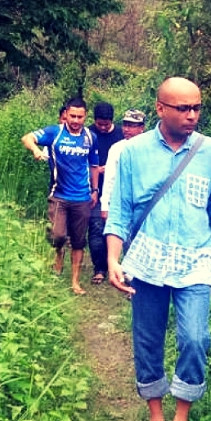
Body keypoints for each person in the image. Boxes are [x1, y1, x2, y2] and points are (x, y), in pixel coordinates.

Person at [106, 77, 211, 421]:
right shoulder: (133, 152)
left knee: (195, 339)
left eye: (197, 107)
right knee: (147, 339)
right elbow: (119, 212)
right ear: (160, 108)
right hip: (146, 261)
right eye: (183, 108)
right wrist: (114, 259)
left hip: (194, 262)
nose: (192, 115)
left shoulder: (210, 151)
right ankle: (156, 419)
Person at [22, 97, 99, 295]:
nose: (75, 120)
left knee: (79, 240)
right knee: (57, 235)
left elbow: (94, 166)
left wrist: (95, 191)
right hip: (59, 195)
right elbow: (27, 138)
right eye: (72, 116)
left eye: (80, 117)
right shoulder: (54, 132)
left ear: (85, 116)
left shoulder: (90, 137)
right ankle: (58, 254)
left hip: (82, 197)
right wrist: (36, 150)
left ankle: (75, 281)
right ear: (65, 114)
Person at [87, 102, 124, 285]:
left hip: (118, 191)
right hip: (93, 190)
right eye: (99, 124)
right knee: (96, 229)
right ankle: (99, 268)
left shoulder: (120, 135)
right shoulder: (87, 134)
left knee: (117, 231)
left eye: (106, 124)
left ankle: (117, 267)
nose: (102, 128)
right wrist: (95, 170)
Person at [99, 109, 147, 218]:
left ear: (141, 128)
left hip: (143, 204)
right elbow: (110, 178)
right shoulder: (117, 148)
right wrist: (105, 206)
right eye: (124, 125)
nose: (126, 129)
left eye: (131, 126)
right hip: (121, 203)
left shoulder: (150, 148)